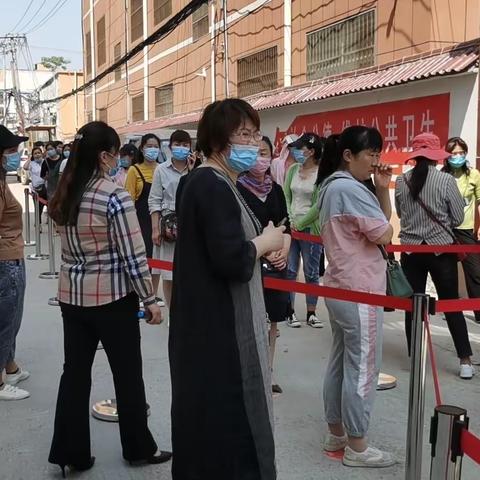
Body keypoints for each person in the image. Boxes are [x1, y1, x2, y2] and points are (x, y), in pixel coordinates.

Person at [47, 121, 171, 477]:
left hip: (73, 297)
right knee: (128, 375)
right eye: (115, 154)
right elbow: (133, 254)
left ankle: (71, 452)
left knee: (74, 373)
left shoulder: (65, 192)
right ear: (104, 156)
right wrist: (150, 299)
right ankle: (138, 447)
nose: (118, 160)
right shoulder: (113, 195)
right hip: (113, 298)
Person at [170, 99, 284, 480]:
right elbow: (231, 260)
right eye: (243, 135)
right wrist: (265, 243)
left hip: (207, 322)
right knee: (227, 426)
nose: (253, 143)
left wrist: (265, 245)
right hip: (218, 329)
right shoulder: (211, 184)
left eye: (255, 134)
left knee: (206, 422)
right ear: (218, 139)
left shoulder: (212, 181)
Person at [317, 126, 395, 468]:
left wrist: (379, 189)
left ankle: (337, 432)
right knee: (363, 368)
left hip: (339, 284)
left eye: (378, 153)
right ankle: (358, 446)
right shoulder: (350, 189)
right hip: (360, 288)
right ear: (349, 155)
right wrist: (381, 194)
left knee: (340, 363)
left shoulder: (331, 185)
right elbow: (384, 233)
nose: (376, 161)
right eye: (371, 155)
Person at [395, 133, 474, 379]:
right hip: (441, 251)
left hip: (411, 251)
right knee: (451, 304)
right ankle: (465, 361)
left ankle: (415, 357)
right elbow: (459, 219)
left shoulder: (401, 181)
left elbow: (399, 214)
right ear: (434, 156)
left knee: (412, 306)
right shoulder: (446, 181)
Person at [237, 135, 291, 394]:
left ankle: (267, 374)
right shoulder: (236, 188)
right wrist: (265, 251)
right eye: (255, 152)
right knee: (251, 319)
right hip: (251, 261)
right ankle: (248, 375)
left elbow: (286, 226)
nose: (261, 158)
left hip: (276, 266)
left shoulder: (276, 190)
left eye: (265, 153)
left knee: (273, 321)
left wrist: (282, 253)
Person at [0, 125, 30, 401]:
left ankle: (10, 367)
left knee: (12, 317)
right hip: (5, 260)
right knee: (5, 321)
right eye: (10, 151)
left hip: (12, 256)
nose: (15, 155)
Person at [283, 133, 325, 328]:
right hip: (291, 228)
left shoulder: (321, 173)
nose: (296, 151)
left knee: (311, 271)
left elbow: (318, 205)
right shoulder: (292, 169)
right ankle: (290, 311)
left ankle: (311, 312)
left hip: (310, 229)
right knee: (290, 270)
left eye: (300, 148)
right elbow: (286, 195)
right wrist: (291, 220)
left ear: (311, 151)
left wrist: (302, 223)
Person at [149, 130, 191, 309]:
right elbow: (154, 200)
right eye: (178, 144)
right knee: (168, 273)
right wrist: (155, 229)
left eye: (185, 145)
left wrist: (193, 167)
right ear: (170, 146)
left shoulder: (196, 167)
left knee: (190, 271)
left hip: (191, 223)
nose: (181, 148)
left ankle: (188, 310)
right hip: (169, 226)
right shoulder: (161, 169)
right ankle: (173, 311)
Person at [442, 137, 480, 324]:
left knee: (475, 272)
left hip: (466, 229)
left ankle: (478, 311)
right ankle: (448, 309)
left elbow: (479, 203)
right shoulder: (442, 175)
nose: (457, 156)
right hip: (445, 229)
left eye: (461, 153)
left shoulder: (474, 175)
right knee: (446, 271)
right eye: (453, 153)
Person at [125, 133, 161, 259]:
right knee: (147, 257)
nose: (153, 149)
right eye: (149, 146)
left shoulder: (163, 169)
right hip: (141, 221)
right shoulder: (133, 170)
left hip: (162, 220)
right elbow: (129, 201)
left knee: (161, 261)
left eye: (156, 147)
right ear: (142, 148)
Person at [23, 147, 47, 230]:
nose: (37, 155)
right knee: (38, 208)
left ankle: (54, 226)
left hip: (46, 188)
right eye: (35, 153)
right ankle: (38, 224)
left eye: (39, 153)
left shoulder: (45, 162)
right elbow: (25, 167)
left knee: (50, 206)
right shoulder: (32, 163)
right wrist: (30, 158)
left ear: (42, 153)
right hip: (36, 190)